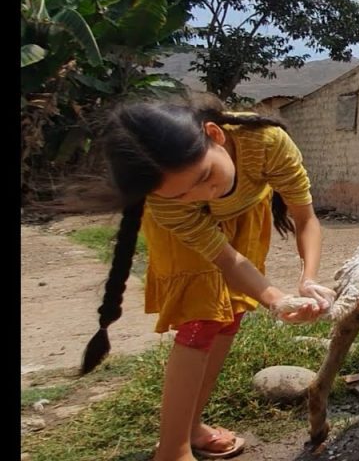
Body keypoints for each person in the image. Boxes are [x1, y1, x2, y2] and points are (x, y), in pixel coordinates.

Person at [77, 96, 336, 461]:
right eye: (183, 193)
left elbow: (306, 219)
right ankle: (172, 450)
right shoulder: (166, 203)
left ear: (214, 134)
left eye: (205, 177)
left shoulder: (265, 143)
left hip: (245, 215)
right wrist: (274, 298)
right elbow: (227, 261)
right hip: (191, 239)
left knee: (229, 319)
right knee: (202, 320)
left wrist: (307, 280)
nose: (204, 195)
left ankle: (192, 427)